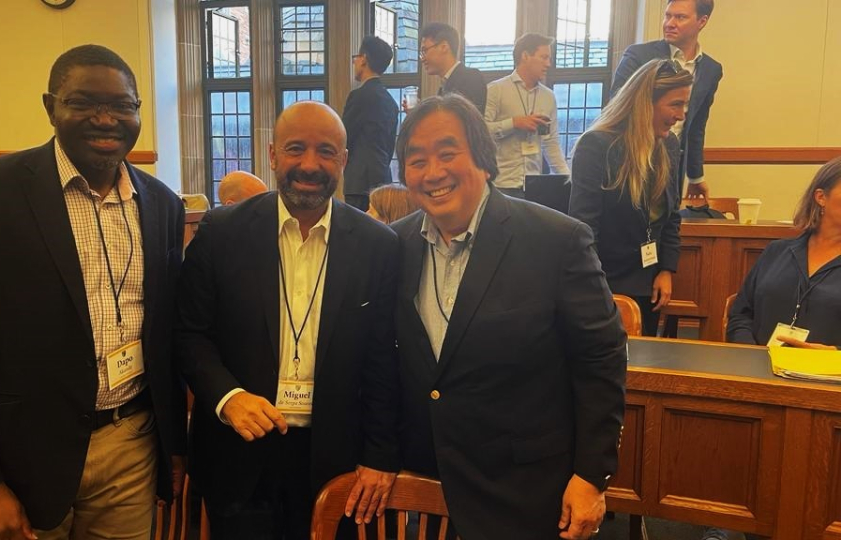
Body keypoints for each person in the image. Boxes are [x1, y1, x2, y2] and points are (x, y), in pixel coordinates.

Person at [0, 44, 187, 539]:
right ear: (50, 107)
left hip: (132, 443)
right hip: (21, 458)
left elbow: (166, 332)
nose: (106, 119)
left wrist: (174, 446)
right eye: (83, 102)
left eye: (123, 106)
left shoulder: (163, 205)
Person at [392, 93, 627, 540]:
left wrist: (591, 477)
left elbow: (602, 363)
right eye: (416, 160)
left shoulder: (557, 240)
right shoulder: (394, 245)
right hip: (425, 482)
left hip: (525, 490)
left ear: (483, 157)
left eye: (447, 153)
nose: (433, 172)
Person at [177, 101, 401, 539]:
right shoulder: (221, 233)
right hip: (238, 451)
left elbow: (384, 361)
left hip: (336, 460)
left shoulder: (379, 246)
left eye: (326, 151)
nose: (310, 165)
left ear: (345, 160)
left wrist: (380, 454)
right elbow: (189, 333)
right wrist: (227, 397)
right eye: (296, 149)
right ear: (273, 154)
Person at [569, 60, 691, 337]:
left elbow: (671, 216)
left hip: (648, 280)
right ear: (646, 103)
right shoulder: (597, 146)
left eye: (684, 105)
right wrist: (594, 287)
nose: (681, 115)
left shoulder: (669, 145)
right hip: (603, 280)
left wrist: (666, 270)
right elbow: (584, 227)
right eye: (675, 104)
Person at [612, 0, 722, 201]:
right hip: (631, 159)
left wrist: (695, 176)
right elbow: (615, 109)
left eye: (680, 17)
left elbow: (696, 126)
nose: (669, 23)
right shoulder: (638, 55)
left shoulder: (711, 69)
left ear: (702, 21)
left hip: (673, 164)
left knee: (667, 224)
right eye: (667, 15)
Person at [727, 157, 841, 349]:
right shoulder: (777, 252)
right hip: (760, 370)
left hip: (826, 375)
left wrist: (834, 357)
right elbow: (740, 315)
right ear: (821, 197)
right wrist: (751, 354)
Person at [484, 33, 569, 199]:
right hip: (501, 185)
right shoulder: (496, 89)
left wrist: (568, 179)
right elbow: (481, 132)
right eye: (544, 57)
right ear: (525, 56)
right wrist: (514, 123)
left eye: (549, 59)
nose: (548, 64)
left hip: (534, 186)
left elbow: (551, 143)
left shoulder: (548, 96)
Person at [343, 36, 400, 212]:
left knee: (357, 234)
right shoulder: (391, 102)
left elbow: (344, 137)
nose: (354, 62)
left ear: (364, 59)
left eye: (356, 57)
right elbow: (390, 146)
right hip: (383, 176)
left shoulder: (359, 96)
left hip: (359, 182)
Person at [417, 23, 486, 113]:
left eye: (424, 51)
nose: (422, 58)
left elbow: (463, 121)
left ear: (444, 47)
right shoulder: (445, 84)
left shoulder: (471, 78)